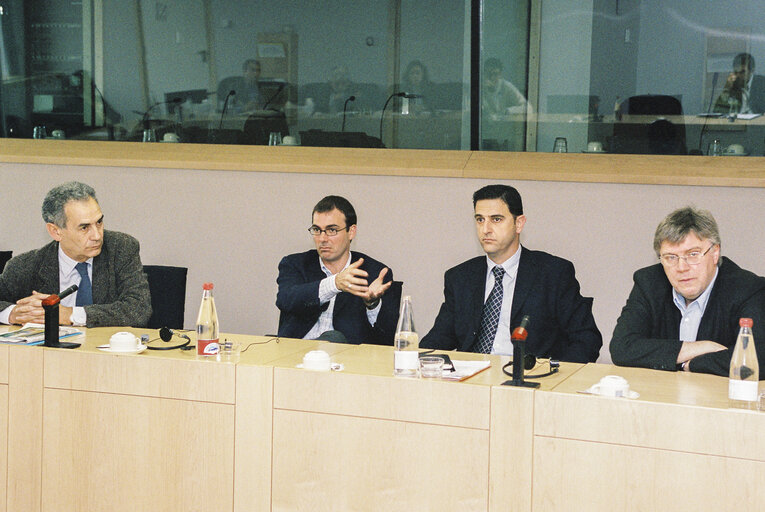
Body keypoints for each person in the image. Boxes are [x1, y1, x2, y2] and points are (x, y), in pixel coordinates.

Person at [420, 184, 602, 362]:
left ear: (519, 223)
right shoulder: (460, 277)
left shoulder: (553, 273)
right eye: (480, 219)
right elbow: (438, 340)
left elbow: (586, 340)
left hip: (529, 379)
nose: (486, 229)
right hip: (472, 378)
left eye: (496, 219)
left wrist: (551, 374)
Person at [610, 206, 765, 377]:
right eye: (670, 257)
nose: (681, 267)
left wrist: (692, 364)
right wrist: (703, 347)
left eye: (692, 254)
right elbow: (621, 347)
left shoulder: (748, 289)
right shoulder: (649, 283)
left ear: (715, 252)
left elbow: (757, 359)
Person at [0, 181, 152, 327]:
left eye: (99, 222)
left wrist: (69, 315)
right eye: (84, 227)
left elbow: (138, 309)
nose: (97, 235)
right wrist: (13, 314)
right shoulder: (25, 266)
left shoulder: (121, 248)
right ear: (56, 231)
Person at [276, 195, 399, 344]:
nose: (322, 238)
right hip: (296, 355)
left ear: (351, 232)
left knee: (334, 338)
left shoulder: (375, 273)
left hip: (348, 359)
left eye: (332, 230)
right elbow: (286, 300)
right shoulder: (295, 264)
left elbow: (387, 339)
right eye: (317, 229)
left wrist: (372, 305)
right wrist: (335, 284)